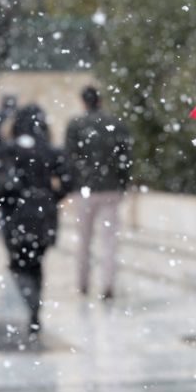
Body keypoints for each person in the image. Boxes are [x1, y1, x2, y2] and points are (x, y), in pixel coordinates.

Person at [0, 103, 70, 341]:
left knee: (19, 264)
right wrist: (51, 197)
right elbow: (70, 179)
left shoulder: (8, 151)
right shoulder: (49, 151)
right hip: (43, 216)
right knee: (37, 264)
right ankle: (34, 310)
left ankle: (30, 307)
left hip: (15, 216)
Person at [64, 86, 133, 301]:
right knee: (109, 240)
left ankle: (83, 283)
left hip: (85, 190)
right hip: (110, 189)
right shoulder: (116, 125)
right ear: (100, 101)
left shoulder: (75, 125)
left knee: (84, 239)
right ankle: (107, 284)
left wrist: (73, 183)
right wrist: (122, 183)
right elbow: (126, 158)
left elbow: (69, 158)